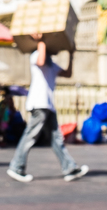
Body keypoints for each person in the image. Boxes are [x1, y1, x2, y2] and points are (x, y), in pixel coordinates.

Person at [7, 34, 89, 183]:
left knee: (56, 138)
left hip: (48, 105)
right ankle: (16, 167)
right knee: (31, 135)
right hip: (39, 103)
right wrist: (42, 40)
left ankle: (69, 168)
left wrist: (71, 54)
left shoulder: (51, 64)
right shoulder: (36, 55)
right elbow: (41, 61)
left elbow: (67, 73)